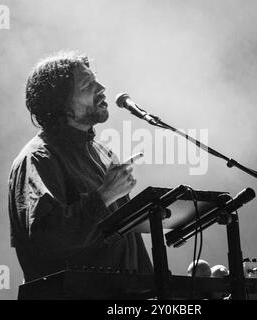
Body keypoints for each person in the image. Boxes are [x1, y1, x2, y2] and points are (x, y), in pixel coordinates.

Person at [8, 51, 153, 284]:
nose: (102, 87)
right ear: (62, 104)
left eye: (97, 80)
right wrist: (103, 196)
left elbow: (126, 242)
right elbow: (47, 239)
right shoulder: (38, 158)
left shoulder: (102, 154)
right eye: (88, 85)